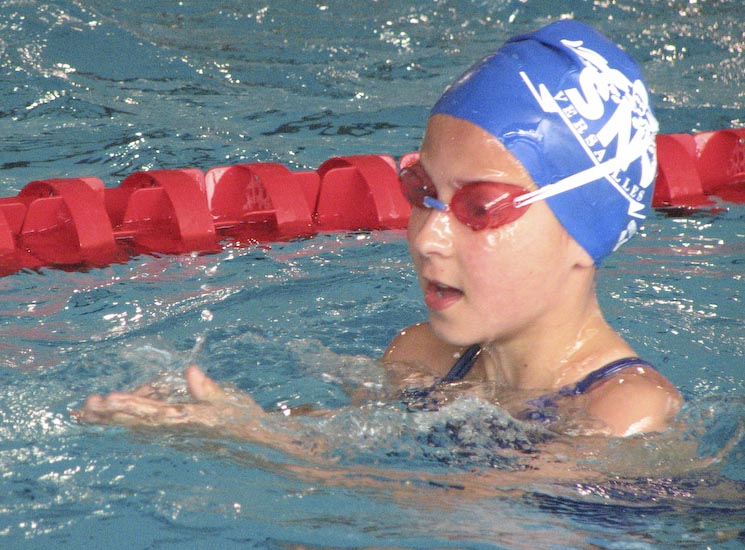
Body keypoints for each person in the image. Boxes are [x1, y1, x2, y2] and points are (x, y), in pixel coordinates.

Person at [75, 20, 681, 445]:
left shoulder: (625, 410)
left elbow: (473, 517)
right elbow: (341, 448)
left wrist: (254, 441)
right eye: (421, 191)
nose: (427, 239)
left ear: (585, 231)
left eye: (480, 207)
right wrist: (232, 416)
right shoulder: (420, 357)